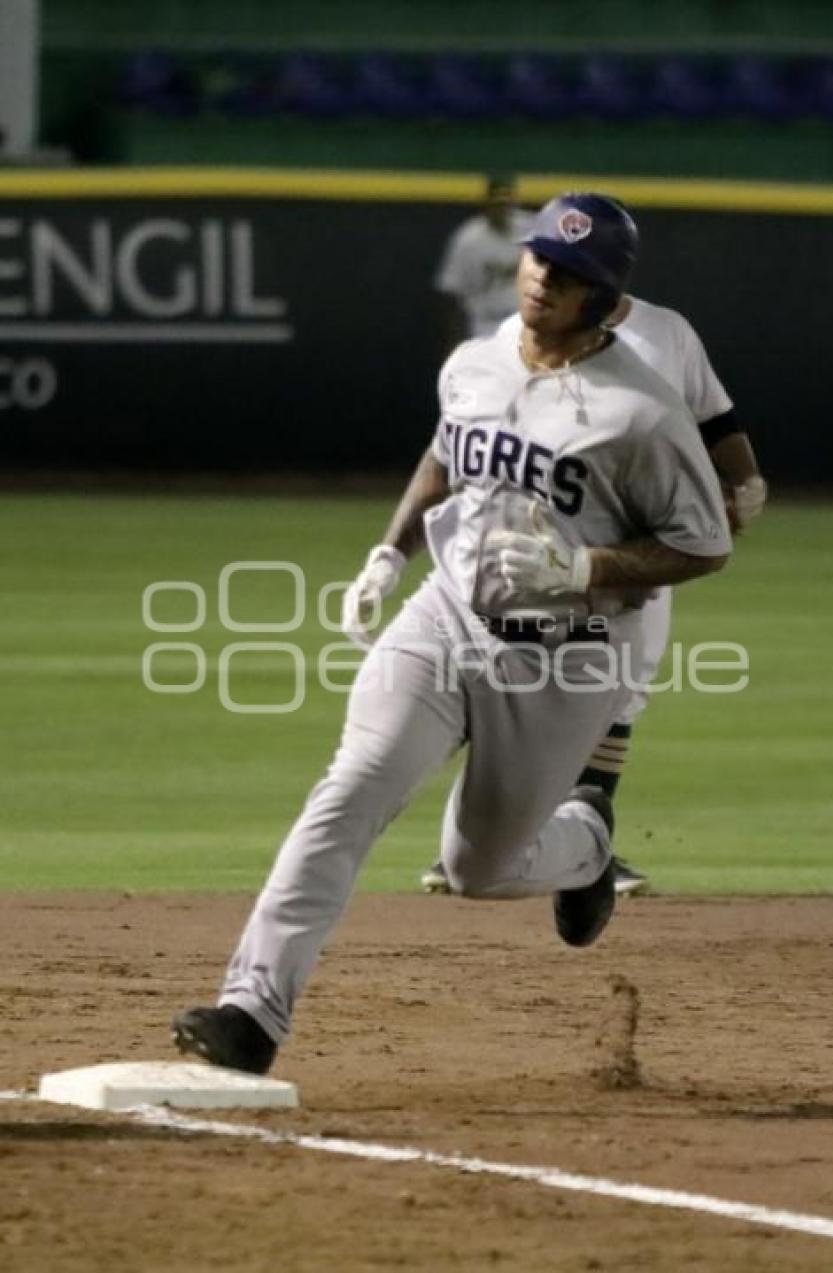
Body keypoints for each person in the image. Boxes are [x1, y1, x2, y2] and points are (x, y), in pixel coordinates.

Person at [172, 192, 732, 1076]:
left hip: (566, 660)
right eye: (540, 256)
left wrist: (585, 571)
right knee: (351, 787)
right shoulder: (475, 360)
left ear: (603, 295)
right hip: (445, 616)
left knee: (477, 870)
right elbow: (446, 454)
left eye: (570, 272)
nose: (545, 276)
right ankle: (252, 1012)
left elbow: (704, 545)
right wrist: (388, 554)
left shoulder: (643, 413)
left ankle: (584, 845)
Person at [420, 291, 767, 898]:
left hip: (635, 553)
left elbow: (717, 419)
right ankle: (478, 842)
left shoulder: (668, 332)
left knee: (620, 692)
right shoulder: (524, 329)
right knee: (495, 677)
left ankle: (589, 835)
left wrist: (746, 476)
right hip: (535, 544)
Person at [433, 173, 535, 354]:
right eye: (496, 203)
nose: (501, 208)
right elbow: (451, 294)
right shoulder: (468, 239)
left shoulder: (531, 227)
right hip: (486, 327)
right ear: (486, 205)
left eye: (506, 201)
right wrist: (454, 346)